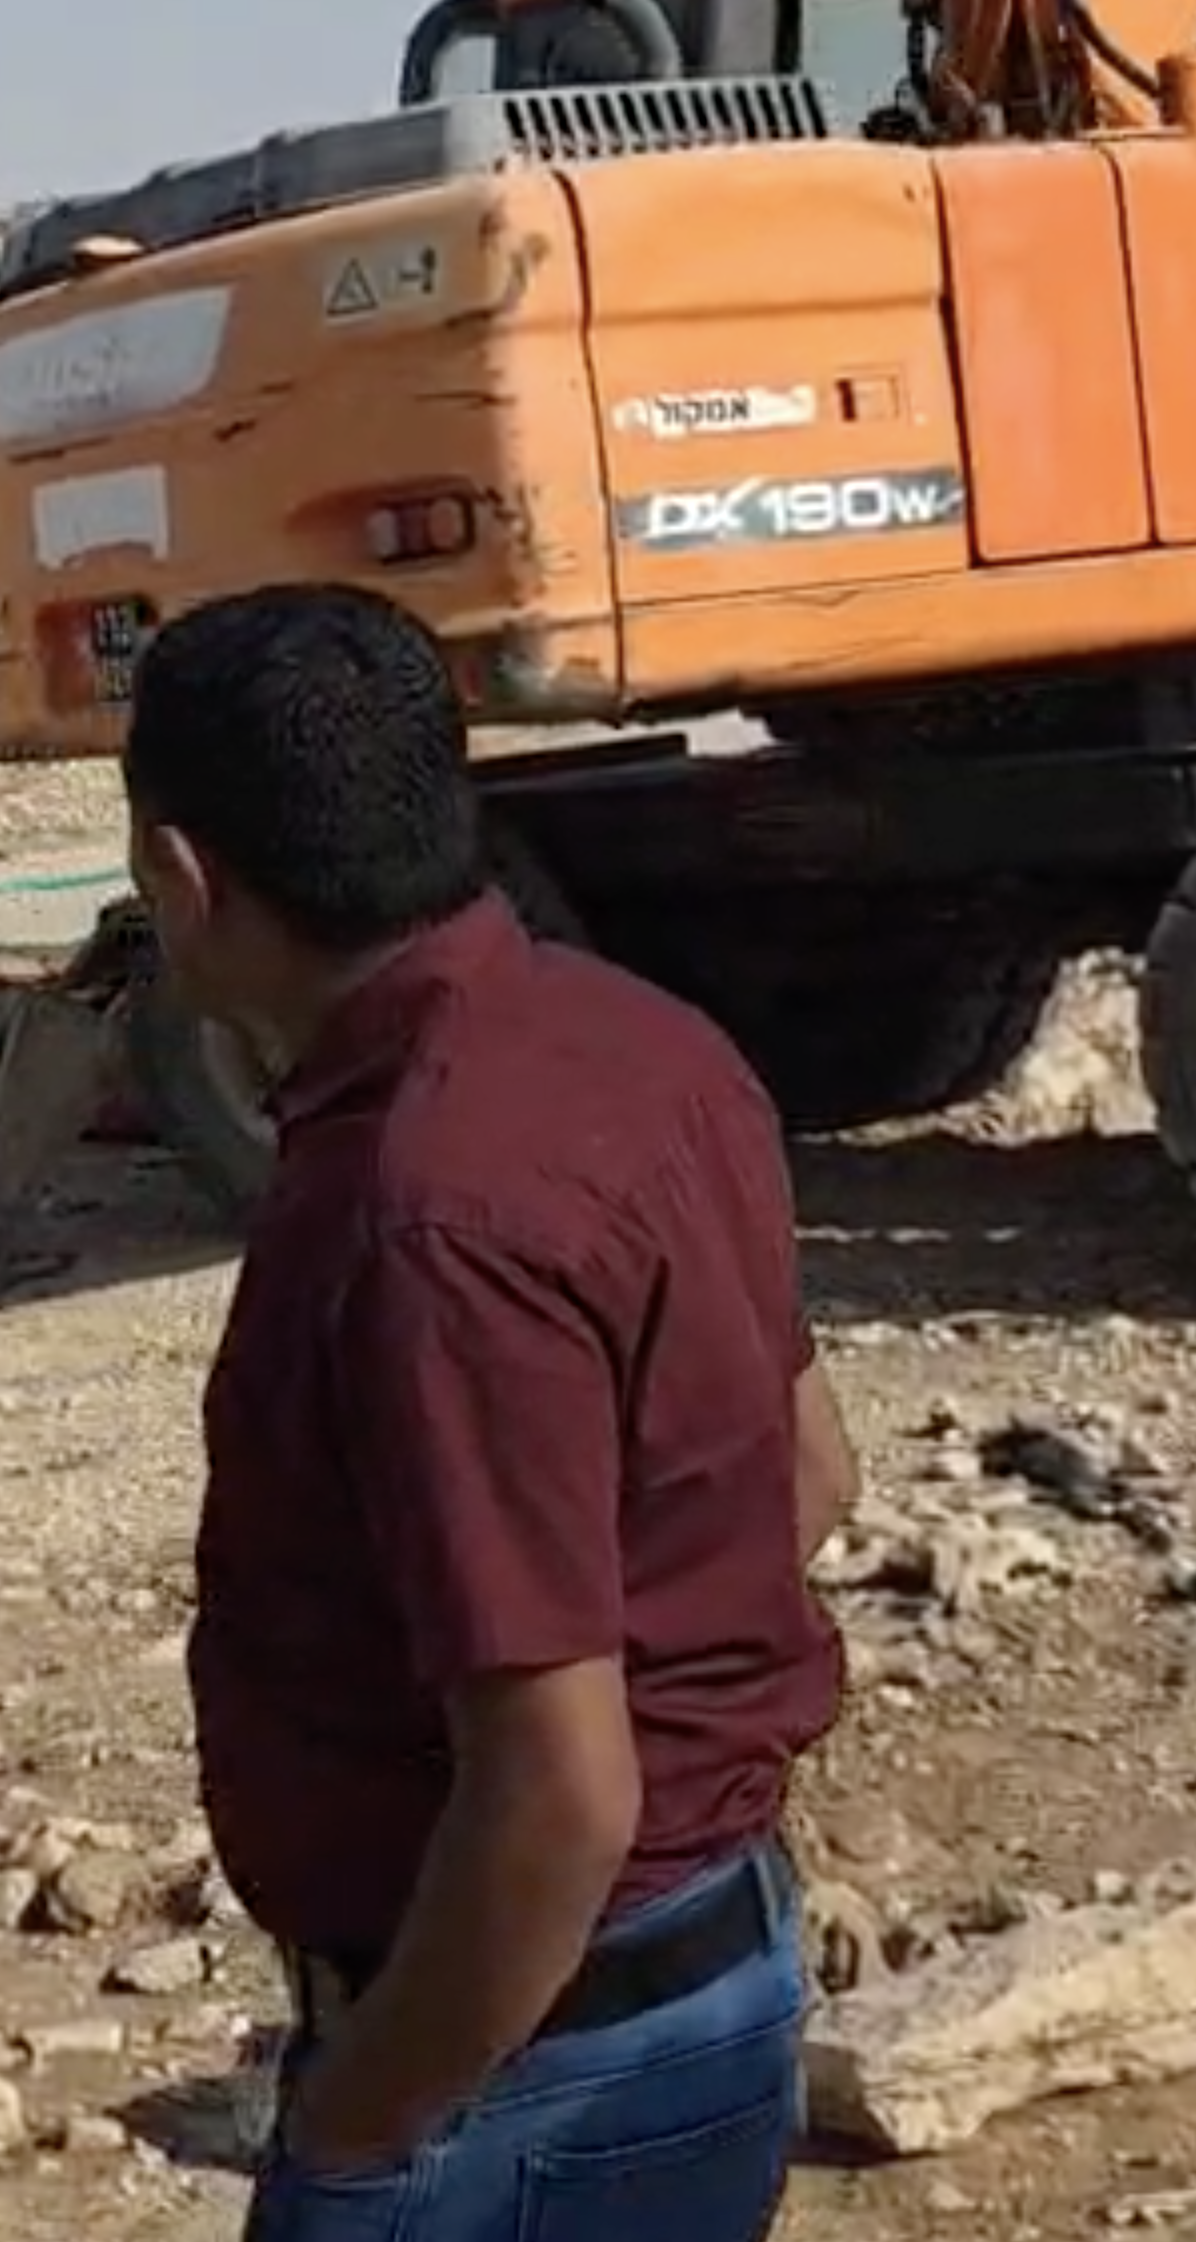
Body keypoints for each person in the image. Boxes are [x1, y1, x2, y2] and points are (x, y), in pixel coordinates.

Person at [119, 584, 859, 2242]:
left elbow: (558, 1792)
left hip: (535, 2071)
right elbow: (805, 1471)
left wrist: (362, 2120)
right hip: (707, 1975)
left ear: (181, 874)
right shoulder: (640, 1046)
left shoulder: (421, 1215)